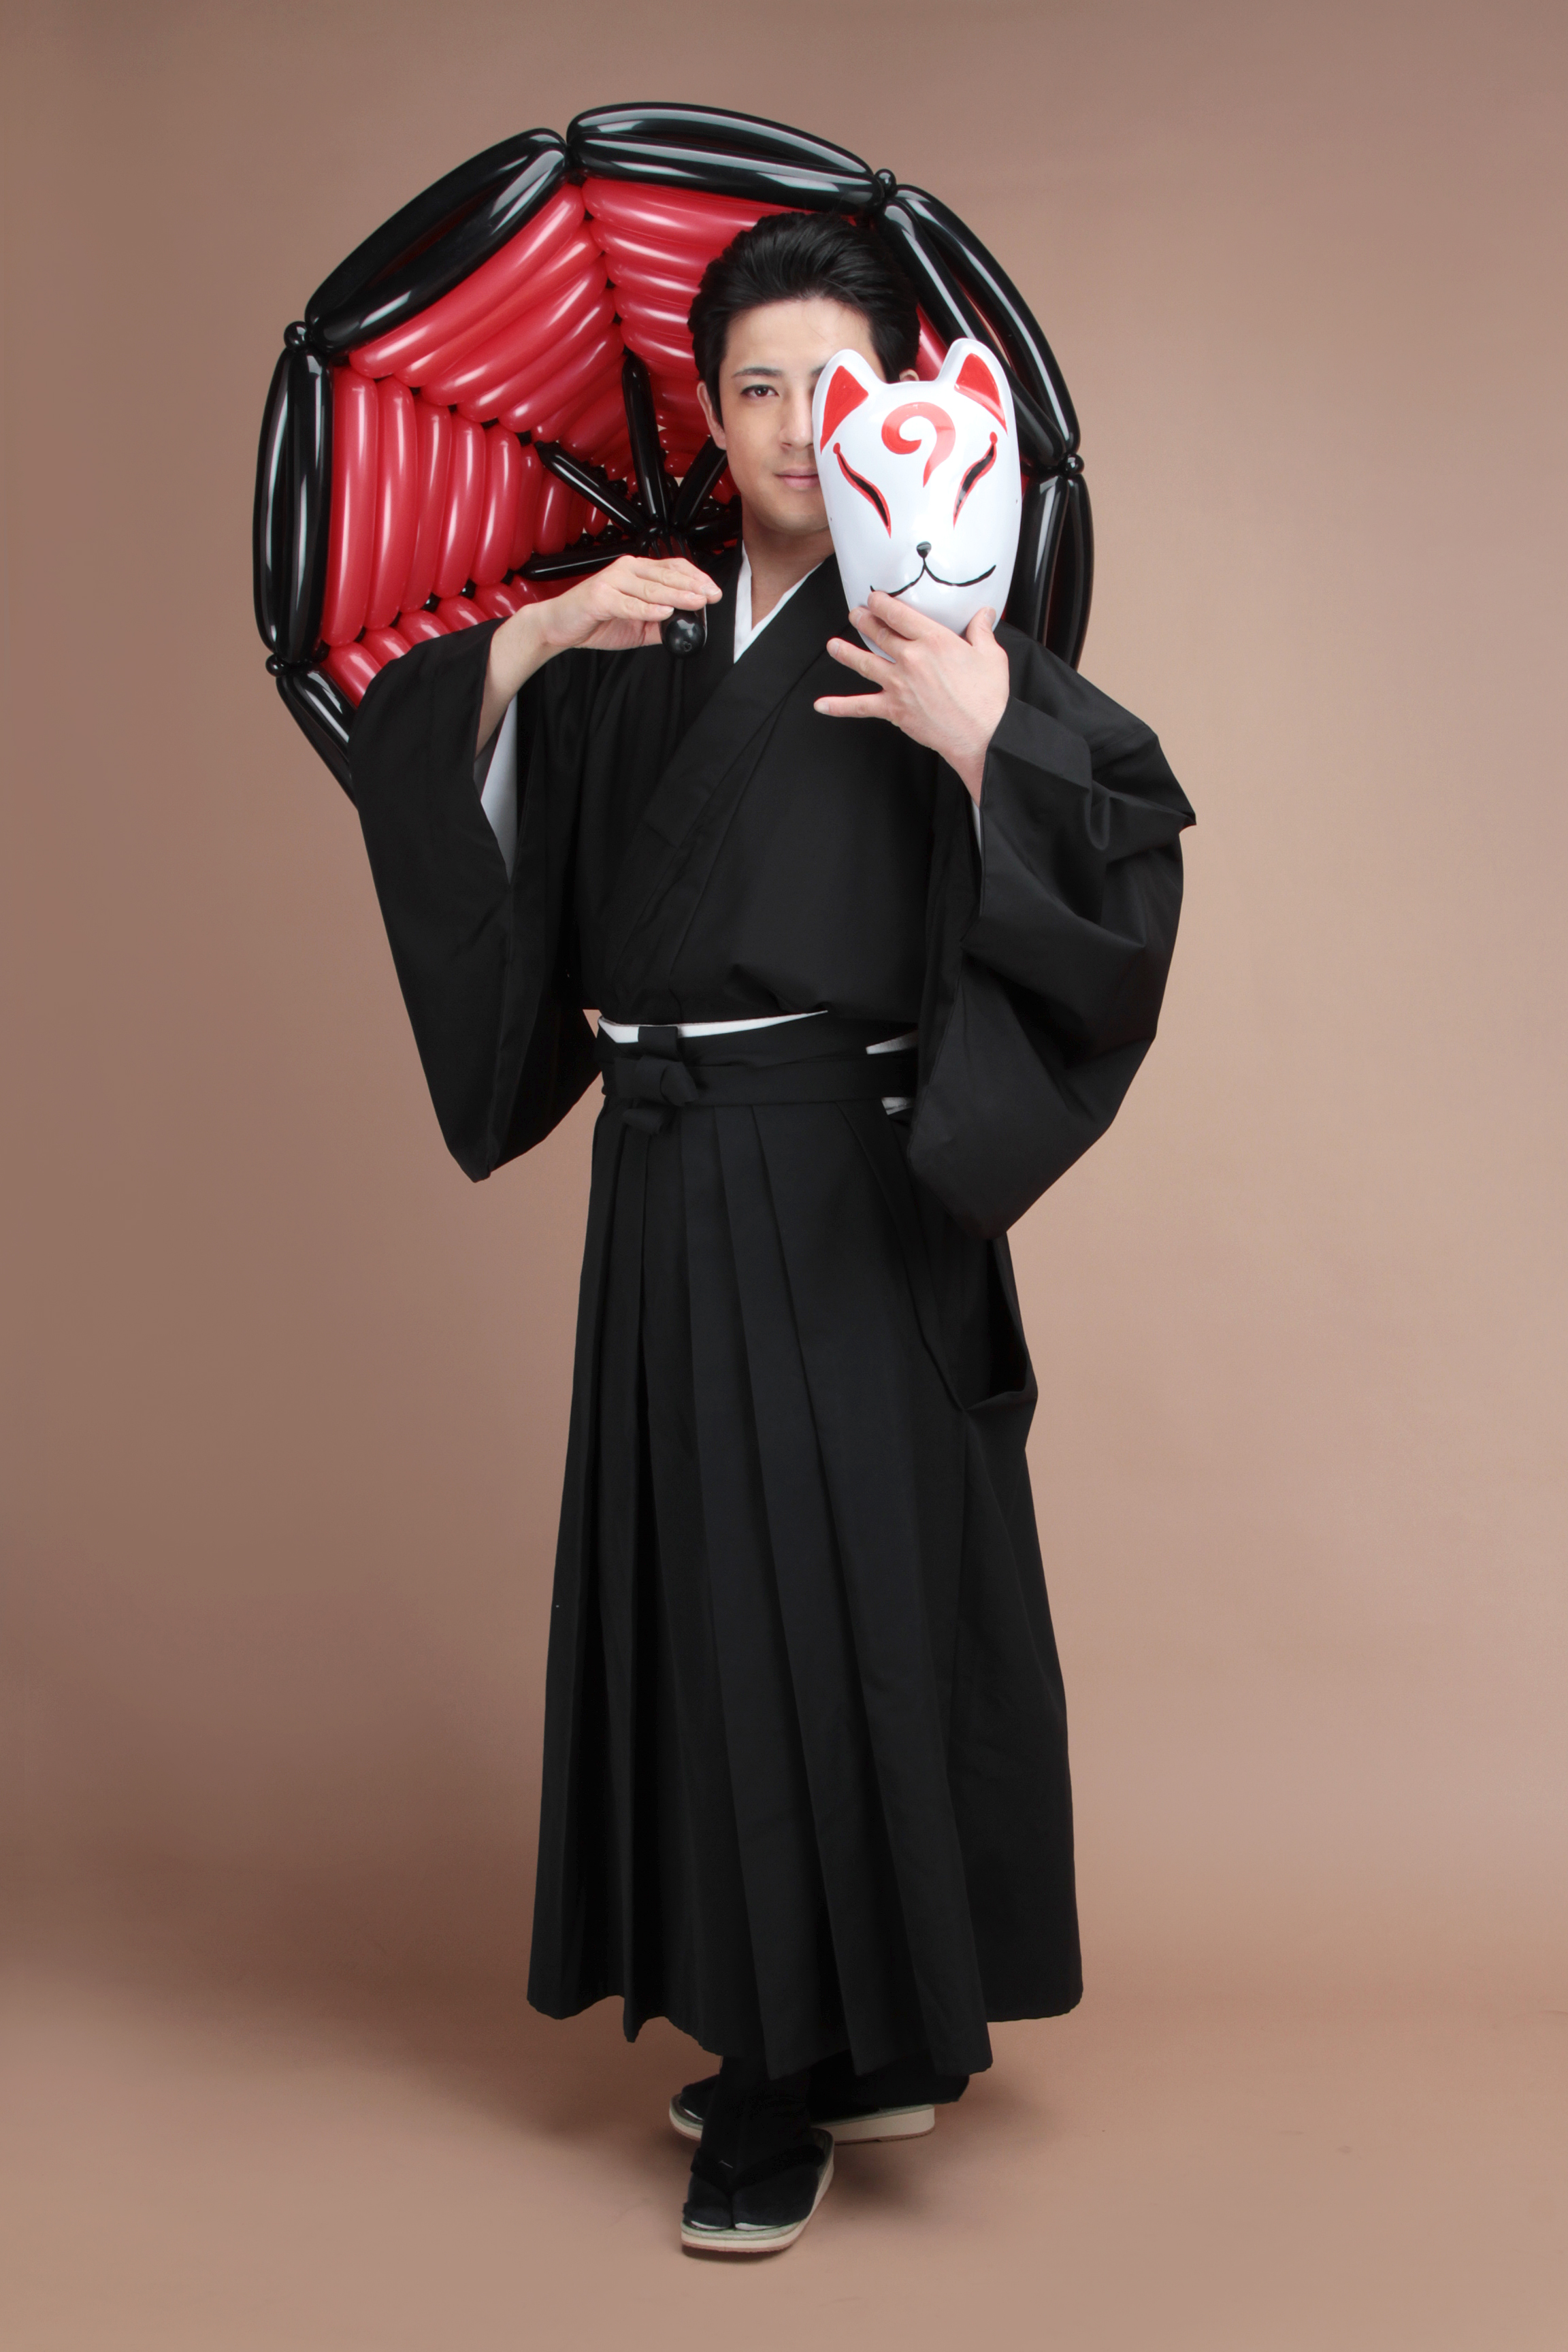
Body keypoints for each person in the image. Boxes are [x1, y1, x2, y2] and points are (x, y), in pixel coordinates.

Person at [348, 210, 1194, 2257]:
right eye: (756, 389)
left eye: (840, 386)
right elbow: (471, 845)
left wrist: (985, 745)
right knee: (714, 1609)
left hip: (858, 1185)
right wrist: (532, 643)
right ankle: (787, 2044)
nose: (802, 426)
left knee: (864, 1610)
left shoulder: (942, 630)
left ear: (907, 406)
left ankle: (817, 2053)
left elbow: (1120, 867)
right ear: (710, 421)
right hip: (671, 1179)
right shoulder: (636, 638)